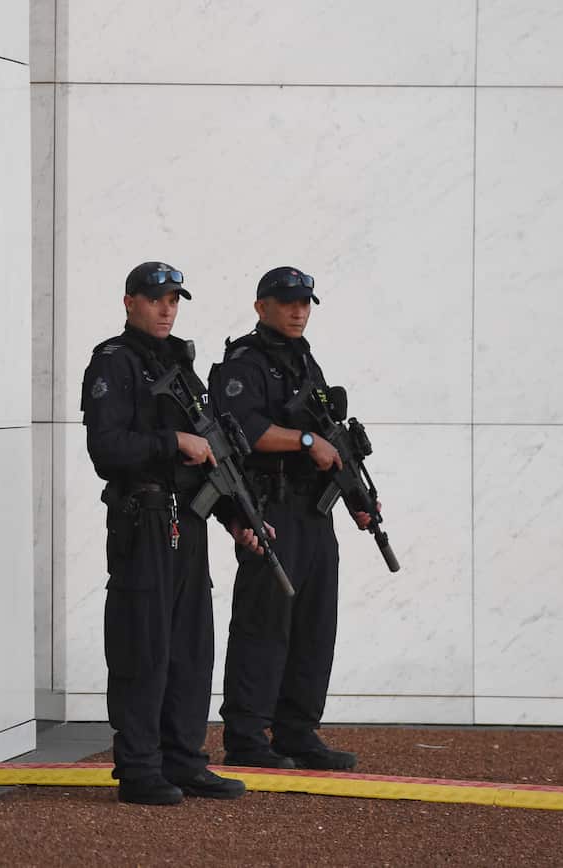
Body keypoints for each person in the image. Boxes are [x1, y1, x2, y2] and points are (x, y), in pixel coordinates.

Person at [81, 260, 265, 805]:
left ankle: (184, 761)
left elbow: (212, 456)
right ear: (129, 301)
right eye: (156, 298)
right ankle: (140, 768)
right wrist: (172, 442)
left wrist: (238, 519)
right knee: (144, 647)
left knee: (190, 649)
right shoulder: (112, 364)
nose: (166, 308)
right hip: (144, 523)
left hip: (189, 520)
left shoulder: (181, 367)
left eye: (174, 300)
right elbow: (105, 449)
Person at [211, 266, 374, 771]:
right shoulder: (244, 362)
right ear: (261, 307)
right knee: (265, 623)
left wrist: (357, 498)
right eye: (287, 303)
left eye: (305, 303)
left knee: (313, 624)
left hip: (312, 510)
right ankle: (245, 734)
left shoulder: (305, 361)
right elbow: (247, 428)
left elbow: (331, 436)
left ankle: (297, 731)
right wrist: (307, 441)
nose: (299, 311)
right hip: (270, 506)